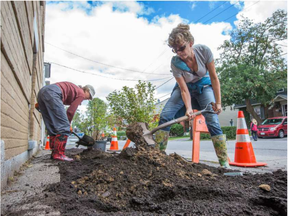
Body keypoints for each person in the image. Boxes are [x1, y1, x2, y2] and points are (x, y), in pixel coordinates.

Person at [155, 23, 230, 168]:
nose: (179, 52)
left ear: (190, 43)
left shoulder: (204, 51)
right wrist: (188, 108)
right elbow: (183, 89)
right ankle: (158, 157)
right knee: (165, 115)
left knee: (212, 119)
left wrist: (218, 103)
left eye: (182, 48)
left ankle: (224, 163)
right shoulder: (175, 63)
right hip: (184, 89)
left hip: (204, 86)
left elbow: (214, 78)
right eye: (175, 50)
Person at [37, 82, 95, 161]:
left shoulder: (75, 90)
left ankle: (54, 153)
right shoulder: (81, 93)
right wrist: (68, 124)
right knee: (64, 127)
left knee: (53, 126)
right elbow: (71, 111)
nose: (88, 99)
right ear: (87, 91)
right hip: (53, 93)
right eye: (89, 96)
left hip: (42, 92)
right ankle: (59, 154)